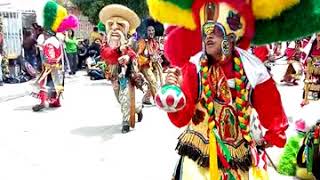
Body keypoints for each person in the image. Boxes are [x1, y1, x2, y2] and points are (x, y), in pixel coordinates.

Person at [148, 0, 306, 178]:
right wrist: (174, 102)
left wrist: (274, 134)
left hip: (240, 155)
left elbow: (271, 109)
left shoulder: (254, 69)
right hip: (200, 155)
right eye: (206, 31)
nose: (208, 37)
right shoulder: (194, 67)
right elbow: (182, 118)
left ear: (231, 38)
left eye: (215, 32)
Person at [100, 4, 143, 133]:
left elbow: (133, 53)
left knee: (125, 97)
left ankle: (125, 122)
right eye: (111, 24)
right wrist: (119, 50)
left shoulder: (131, 41)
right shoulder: (105, 43)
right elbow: (106, 54)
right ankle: (138, 109)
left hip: (127, 73)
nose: (114, 29)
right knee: (120, 98)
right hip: (113, 74)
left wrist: (128, 58)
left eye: (119, 25)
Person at [31, 1, 78, 112]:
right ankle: (52, 101)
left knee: (47, 82)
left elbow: (49, 53)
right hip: (53, 66)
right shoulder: (53, 39)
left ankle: (47, 101)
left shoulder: (47, 39)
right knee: (53, 83)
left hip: (49, 66)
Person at [136, 18, 164, 105]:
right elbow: (137, 55)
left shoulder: (155, 42)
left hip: (154, 65)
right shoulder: (142, 42)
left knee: (154, 82)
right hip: (145, 65)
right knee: (153, 81)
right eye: (149, 30)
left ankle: (146, 99)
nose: (151, 32)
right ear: (146, 31)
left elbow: (157, 52)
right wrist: (148, 58)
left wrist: (158, 57)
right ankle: (158, 100)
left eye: (152, 30)